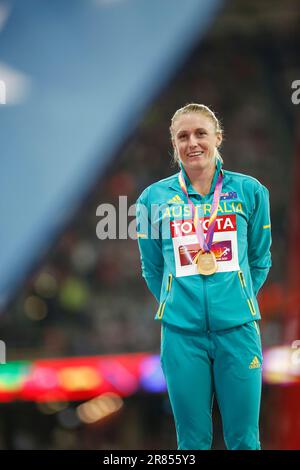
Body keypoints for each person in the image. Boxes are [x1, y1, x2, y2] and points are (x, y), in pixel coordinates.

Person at [136, 103, 272, 450]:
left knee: (244, 439)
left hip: (238, 330)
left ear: (218, 138)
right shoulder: (153, 198)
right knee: (192, 441)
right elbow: (152, 268)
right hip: (181, 335)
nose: (192, 142)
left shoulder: (249, 191)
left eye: (200, 133)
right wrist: (179, 303)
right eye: (183, 136)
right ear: (173, 144)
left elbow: (260, 259)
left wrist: (236, 300)